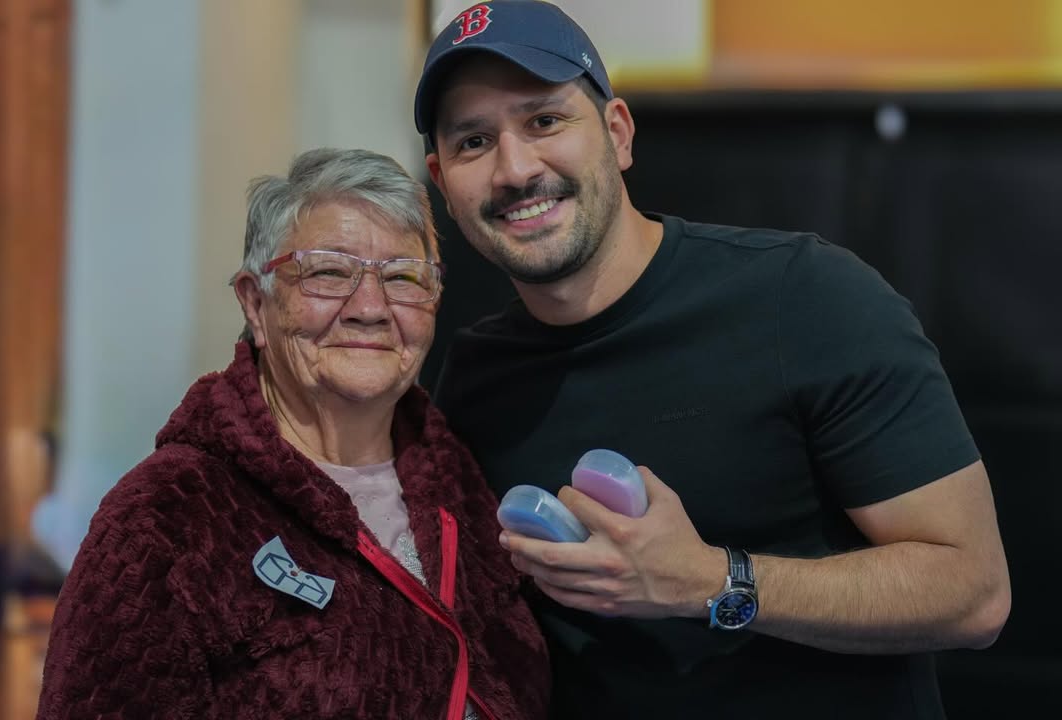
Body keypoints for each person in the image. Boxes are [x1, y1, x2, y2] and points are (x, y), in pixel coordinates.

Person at [414, 2, 1011, 718]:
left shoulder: (806, 298)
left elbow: (975, 594)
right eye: (474, 141)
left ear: (617, 133)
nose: (514, 168)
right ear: (443, 184)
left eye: (544, 120)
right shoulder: (473, 374)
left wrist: (709, 580)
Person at [34, 148, 550, 720]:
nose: (371, 308)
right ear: (256, 304)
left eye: (403, 277)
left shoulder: (465, 480)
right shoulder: (167, 519)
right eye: (329, 272)